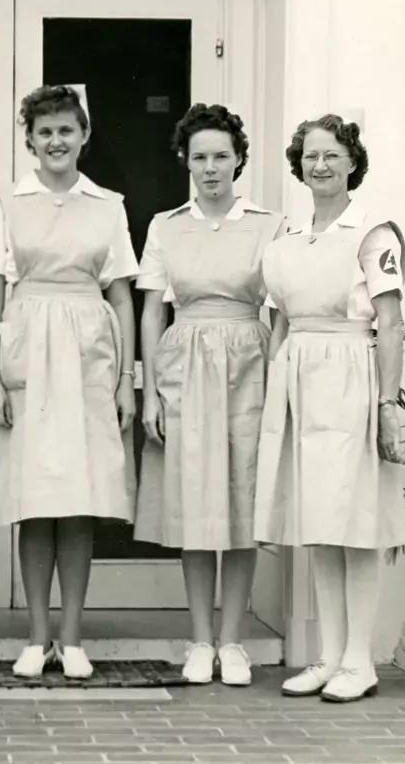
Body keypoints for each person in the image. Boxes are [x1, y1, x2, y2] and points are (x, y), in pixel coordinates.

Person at [0, 84, 138, 679]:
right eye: (44, 132)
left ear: (84, 135)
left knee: (79, 500)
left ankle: (72, 639)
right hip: (27, 347)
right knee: (35, 499)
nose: (55, 141)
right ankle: (35, 635)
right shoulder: (7, 202)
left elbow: (121, 294)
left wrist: (126, 379)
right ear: (29, 140)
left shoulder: (109, 204)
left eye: (66, 130)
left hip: (88, 353)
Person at [254, 114, 405, 702]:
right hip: (298, 380)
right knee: (321, 523)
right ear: (300, 164)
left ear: (352, 163)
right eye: (311, 156)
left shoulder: (373, 234)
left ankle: (359, 661)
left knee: (354, 524)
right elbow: (279, 321)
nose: (321, 165)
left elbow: (390, 324)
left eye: (333, 156)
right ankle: (329, 656)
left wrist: (388, 405)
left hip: (351, 377)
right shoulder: (289, 238)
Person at [134, 104, 283, 687]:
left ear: (239, 159)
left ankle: (234, 641)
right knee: (196, 505)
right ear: (185, 162)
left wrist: (278, 380)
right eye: (200, 157)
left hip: (250, 360)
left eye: (222, 155)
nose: (211, 167)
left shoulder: (268, 225)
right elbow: (152, 309)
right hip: (185, 365)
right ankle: (200, 639)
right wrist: (149, 391)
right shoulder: (166, 225)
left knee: (241, 502)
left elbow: (282, 307)